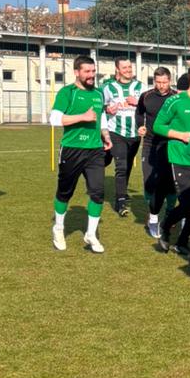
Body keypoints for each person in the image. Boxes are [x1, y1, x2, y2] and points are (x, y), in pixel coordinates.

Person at [49, 54, 113, 252]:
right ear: (76, 72)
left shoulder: (98, 93)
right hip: (72, 149)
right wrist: (82, 117)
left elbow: (100, 117)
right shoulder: (67, 92)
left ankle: (91, 234)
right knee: (65, 192)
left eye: (93, 71)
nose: (91, 75)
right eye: (87, 71)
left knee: (97, 192)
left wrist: (105, 135)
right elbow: (54, 119)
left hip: (95, 151)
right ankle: (58, 228)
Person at [151, 62, 190, 257]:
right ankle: (166, 225)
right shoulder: (175, 101)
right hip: (181, 159)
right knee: (188, 203)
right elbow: (158, 126)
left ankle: (182, 241)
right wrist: (180, 135)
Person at [137, 67, 177, 238]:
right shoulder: (146, 96)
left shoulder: (176, 97)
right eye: (158, 82)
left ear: (170, 81)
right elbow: (139, 113)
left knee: (171, 184)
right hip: (150, 144)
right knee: (149, 182)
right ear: (154, 81)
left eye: (164, 82)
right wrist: (140, 126)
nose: (161, 85)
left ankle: (169, 213)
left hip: (170, 145)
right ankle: (152, 214)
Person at [101, 58, 142, 216]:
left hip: (135, 134)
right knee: (121, 166)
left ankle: (122, 192)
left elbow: (148, 106)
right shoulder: (108, 87)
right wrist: (107, 109)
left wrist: (138, 102)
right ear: (117, 69)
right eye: (124, 67)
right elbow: (100, 105)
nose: (128, 70)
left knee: (128, 164)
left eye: (129, 67)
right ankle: (120, 202)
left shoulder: (140, 87)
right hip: (116, 132)